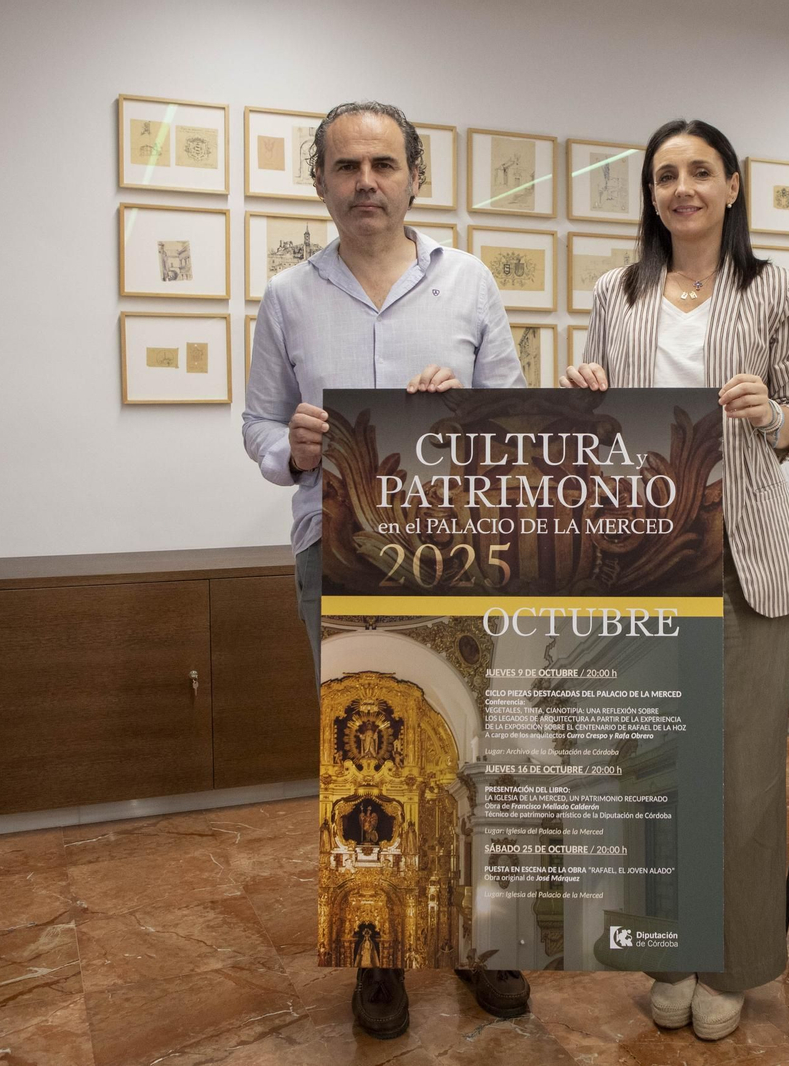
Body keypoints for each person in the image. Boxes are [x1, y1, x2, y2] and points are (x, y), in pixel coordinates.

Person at [242, 100, 529, 1040]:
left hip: (455, 552)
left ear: (416, 177)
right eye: (346, 166)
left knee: (465, 749)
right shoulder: (287, 297)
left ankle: (483, 941)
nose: (367, 181)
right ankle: (378, 949)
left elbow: (515, 424)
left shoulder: (471, 284)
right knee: (362, 751)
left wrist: (464, 426)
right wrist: (292, 443)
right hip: (335, 550)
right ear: (320, 181)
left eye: (384, 164)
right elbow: (256, 426)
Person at [560, 118, 789, 1041]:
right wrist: (584, 398)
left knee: (742, 778)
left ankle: (733, 963)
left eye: (700, 172)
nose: (683, 188)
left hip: (747, 561)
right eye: (666, 174)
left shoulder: (775, 289)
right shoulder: (614, 292)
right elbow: (597, 440)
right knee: (654, 774)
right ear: (651, 191)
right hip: (643, 563)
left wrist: (771, 414)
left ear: (733, 185)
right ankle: (667, 950)